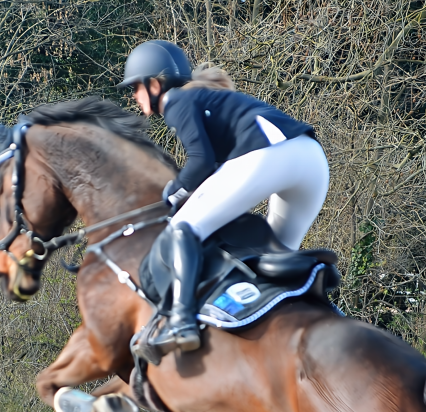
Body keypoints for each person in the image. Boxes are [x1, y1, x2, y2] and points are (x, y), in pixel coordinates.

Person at [118, 40, 330, 352]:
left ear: (154, 84)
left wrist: (174, 191)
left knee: (183, 228)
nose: (135, 98)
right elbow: (215, 170)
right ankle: (296, 327)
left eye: (135, 88)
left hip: (270, 155)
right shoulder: (205, 99)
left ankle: (181, 321)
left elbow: (201, 162)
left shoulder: (176, 101)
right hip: (311, 159)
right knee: (277, 258)